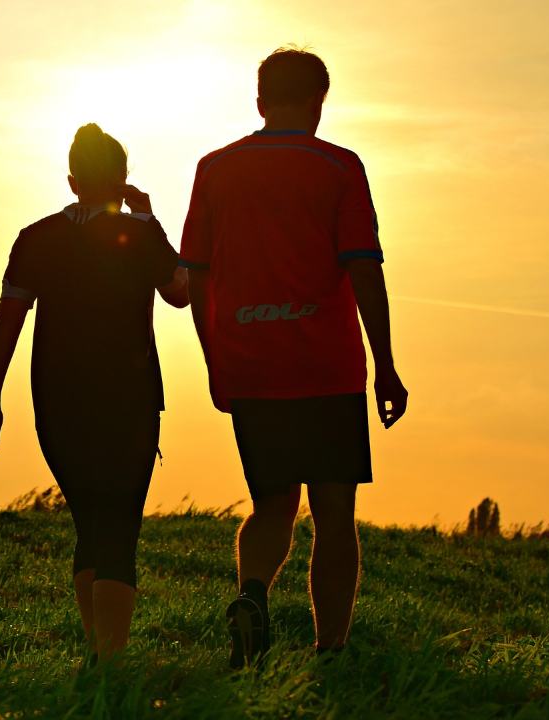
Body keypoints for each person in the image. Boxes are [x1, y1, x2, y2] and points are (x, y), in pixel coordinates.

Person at [179, 48, 409, 668]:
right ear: (319, 102)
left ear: (260, 100)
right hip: (326, 369)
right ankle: (330, 649)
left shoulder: (214, 170)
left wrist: (214, 359)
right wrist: (385, 365)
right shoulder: (339, 169)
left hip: (250, 364)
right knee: (334, 512)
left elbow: (195, 278)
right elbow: (364, 272)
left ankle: (253, 594)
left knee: (272, 503)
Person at [0, 124, 189, 662]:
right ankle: (109, 665)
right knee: (120, 523)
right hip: (130, 396)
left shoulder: (36, 237)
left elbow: (8, 320)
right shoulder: (140, 235)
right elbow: (181, 293)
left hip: (55, 397)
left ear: (72, 182)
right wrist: (150, 219)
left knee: (90, 521)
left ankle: (99, 655)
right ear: (123, 180)